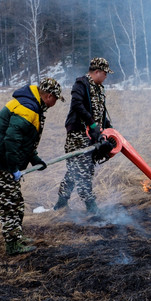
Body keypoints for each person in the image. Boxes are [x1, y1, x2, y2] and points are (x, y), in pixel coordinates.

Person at [0, 77, 65, 256]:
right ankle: (13, 245)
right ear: (49, 96)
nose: (55, 103)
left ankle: (17, 237)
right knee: (9, 203)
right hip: (0, 162)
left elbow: (25, 141)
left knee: (17, 202)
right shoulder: (28, 108)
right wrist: (13, 169)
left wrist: (35, 159)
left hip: (4, 160)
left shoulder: (33, 104)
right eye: (56, 99)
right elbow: (12, 140)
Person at [53, 57, 114, 213]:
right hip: (78, 136)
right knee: (83, 171)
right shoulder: (81, 84)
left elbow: (99, 112)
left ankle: (60, 203)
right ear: (97, 71)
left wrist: (109, 128)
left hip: (93, 136)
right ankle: (92, 208)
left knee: (75, 170)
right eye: (105, 73)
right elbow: (77, 105)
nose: (106, 76)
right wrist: (92, 124)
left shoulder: (100, 89)